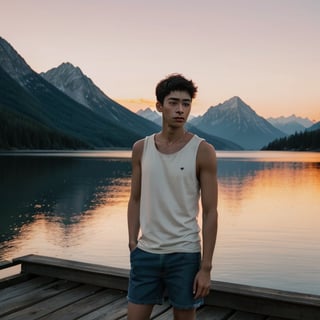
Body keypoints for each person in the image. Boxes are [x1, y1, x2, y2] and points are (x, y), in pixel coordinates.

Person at [127, 74, 218, 320]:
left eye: (186, 104)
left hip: (185, 255)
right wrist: (132, 243)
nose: (180, 110)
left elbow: (211, 212)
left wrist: (206, 267)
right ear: (159, 106)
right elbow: (135, 199)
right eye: (173, 102)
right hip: (146, 252)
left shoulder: (203, 151)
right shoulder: (140, 149)